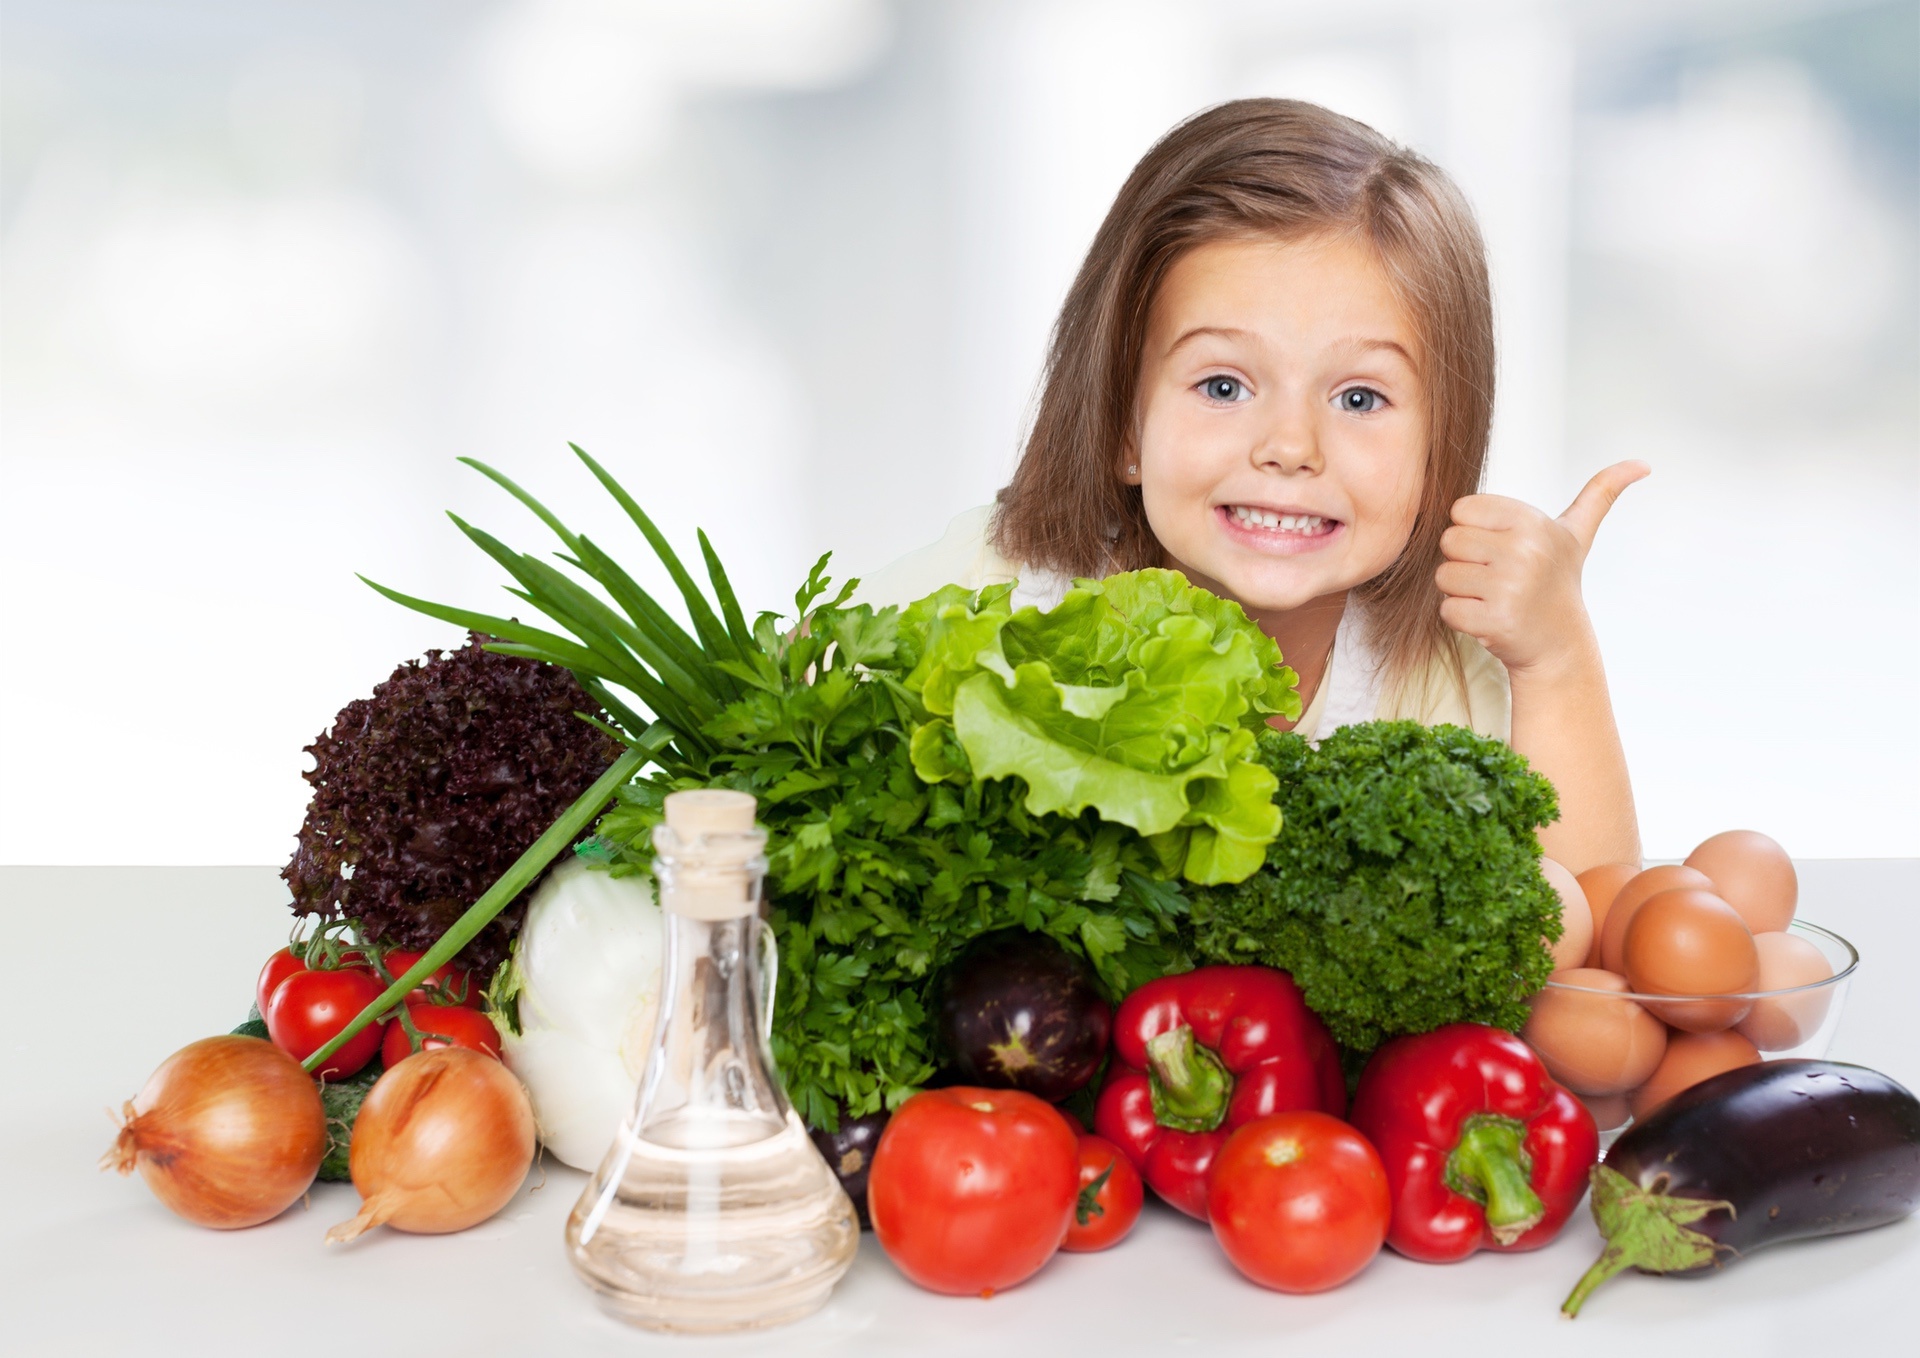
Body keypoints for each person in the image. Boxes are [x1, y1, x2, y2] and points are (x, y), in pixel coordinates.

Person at [858, 99, 1641, 874]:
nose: (1290, 447)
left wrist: (1557, 659)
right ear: (1124, 429)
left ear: (1441, 450)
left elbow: (1592, 937)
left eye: (1359, 399)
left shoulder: (1441, 672)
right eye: (1224, 386)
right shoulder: (987, 596)